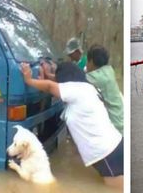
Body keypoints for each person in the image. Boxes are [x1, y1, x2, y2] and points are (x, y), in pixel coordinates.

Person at [20, 61, 123, 190]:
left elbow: (50, 87)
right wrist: (46, 74)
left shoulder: (76, 89)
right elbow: (56, 83)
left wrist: (29, 80)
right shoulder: (85, 88)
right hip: (113, 146)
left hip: (106, 152)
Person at [86, 44, 124, 134]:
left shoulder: (96, 77)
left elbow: (76, 79)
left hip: (116, 126)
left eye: (87, 61)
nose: (86, 65)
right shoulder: (109, 70)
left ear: (91, 61)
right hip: (120, 118)